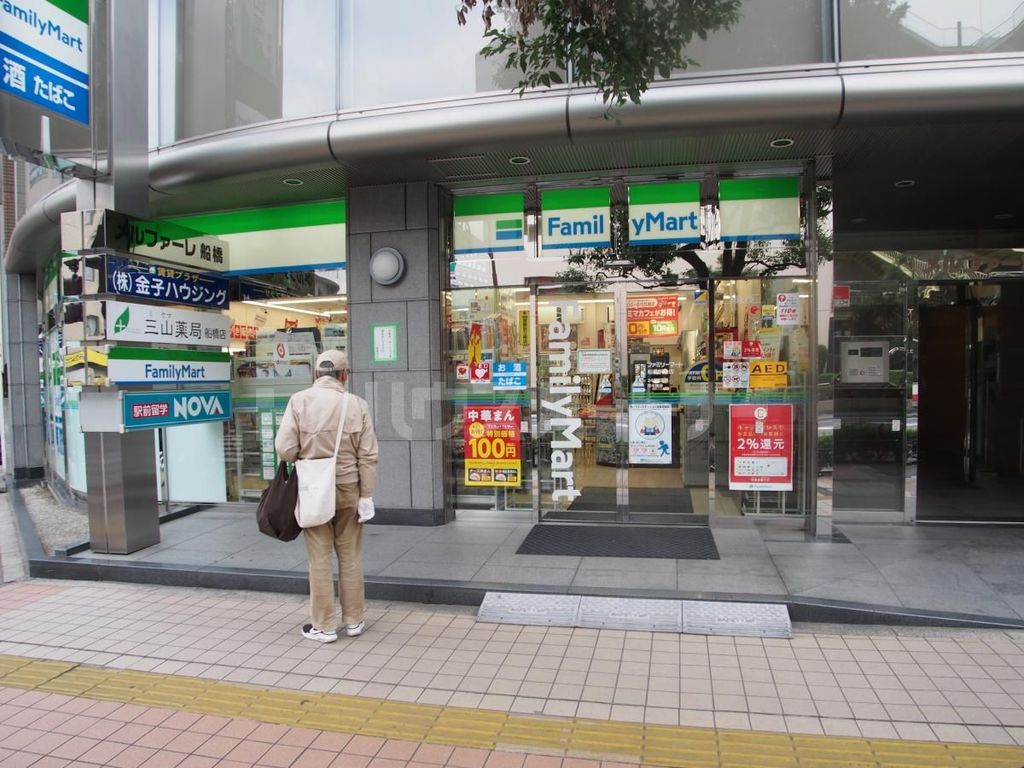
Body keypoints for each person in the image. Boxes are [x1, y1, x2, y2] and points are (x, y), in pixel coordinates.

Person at [275, 349, 378, 642]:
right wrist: (366, 495)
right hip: (350, 488)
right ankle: (355, 619)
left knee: (319, 558)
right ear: (344, 375)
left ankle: (325, 625)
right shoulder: (357, 404)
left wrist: (306, 455)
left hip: (313, 489)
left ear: (316, 375)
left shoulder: (299, 401)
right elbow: (368, 455)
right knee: (350, 555)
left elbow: (284, 449)